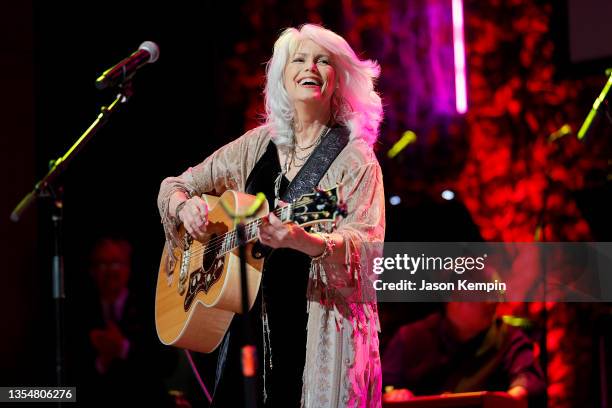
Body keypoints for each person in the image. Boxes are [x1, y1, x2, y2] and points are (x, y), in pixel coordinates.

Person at [157, 24, 385, 407]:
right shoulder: (257, 145)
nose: (310, 67)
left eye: (323, 60)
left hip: (313, 331)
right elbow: (175, 185)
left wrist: (307, 241)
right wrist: (186, 207)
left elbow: (368, 244)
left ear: (340, 78)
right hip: (248, 337)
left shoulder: (354, 157)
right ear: (282, 74)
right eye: (299, 59)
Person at [70, 237, 176, 406]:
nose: (111, 271)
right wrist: (102, 361)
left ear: (128, 268)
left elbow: (167, 364)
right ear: (92, 271)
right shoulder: (79, 314)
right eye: (102, 264)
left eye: (116, 263)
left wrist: (123, 348)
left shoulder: (150, 307)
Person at [382, 302, 546, 405]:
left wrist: (512, 398)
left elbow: (527, 381)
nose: (494, 301)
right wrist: (391, 394)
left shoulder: (509, 337)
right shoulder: (410, 337)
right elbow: (378, 387)